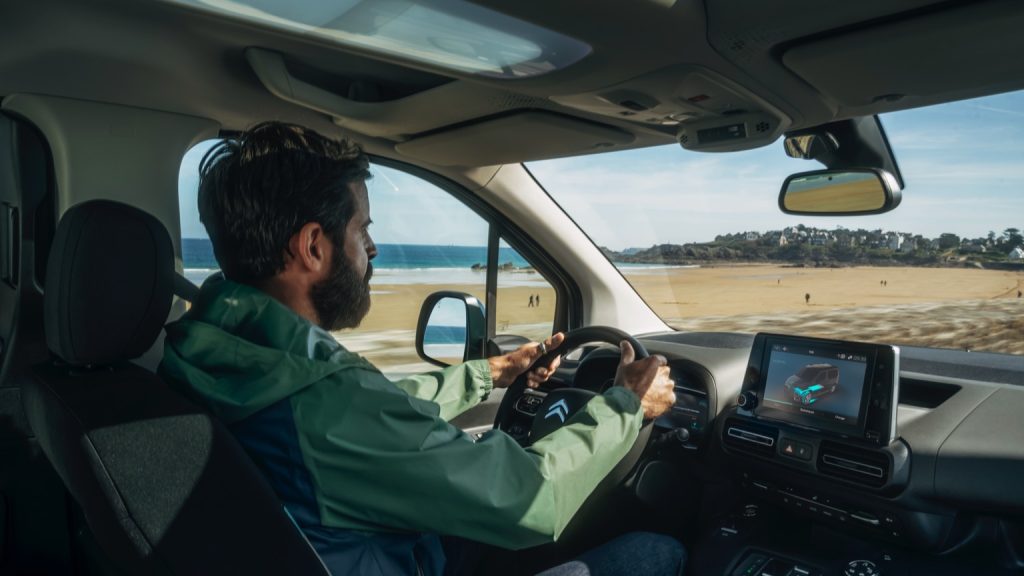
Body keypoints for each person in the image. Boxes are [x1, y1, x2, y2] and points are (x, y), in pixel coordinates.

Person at [159, 122, 682, 576]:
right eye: (361, 230)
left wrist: (489, 373)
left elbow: (374, 410)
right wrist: (625, 406)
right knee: (656, 553)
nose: (372, 249)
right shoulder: (328, 403)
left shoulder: (207, 349)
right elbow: (529, 499)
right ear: (313, 246)